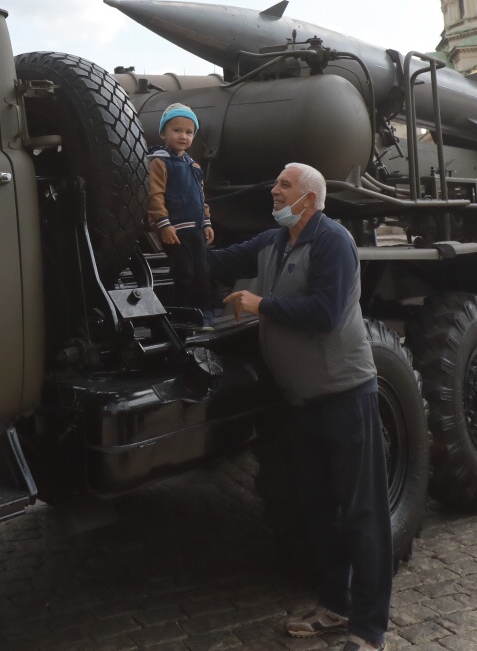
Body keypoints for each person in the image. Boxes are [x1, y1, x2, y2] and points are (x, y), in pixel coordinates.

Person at [207, 163, 389, 650]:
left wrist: (259, 304)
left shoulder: (332, 242)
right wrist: (179, 231)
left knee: (361, 513)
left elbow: (326, 313)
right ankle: (335, 606)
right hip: (304, 402)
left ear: (308, 198)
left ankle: (369, 631)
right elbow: (219, 261)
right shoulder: (275, 240)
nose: (274, 189)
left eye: (284, 184)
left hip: (346, 396)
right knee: (320, 509)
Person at [146, 104, 216, 312]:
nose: (183, 136)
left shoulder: (193, 166)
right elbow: (154, 194)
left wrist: (206, 221)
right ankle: (183, 316)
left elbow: (200, 196)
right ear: (163, 133)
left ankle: (203, 315)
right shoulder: (160, 162)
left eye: (189, 132)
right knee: (184, 273)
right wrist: (163, 224)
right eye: (176, 130)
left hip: (195, 229)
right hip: (175, 230)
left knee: (202, 273)